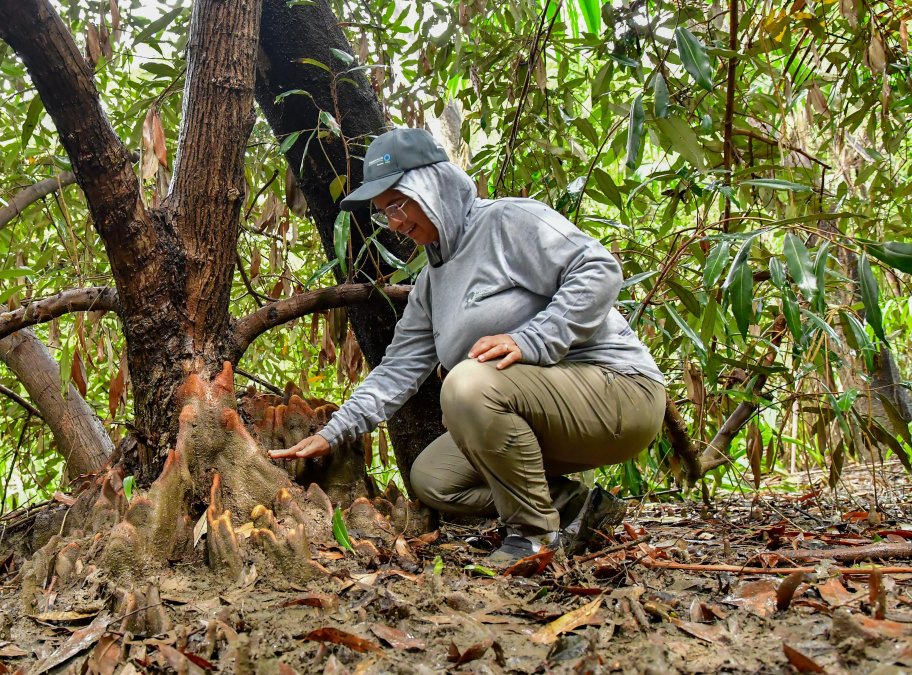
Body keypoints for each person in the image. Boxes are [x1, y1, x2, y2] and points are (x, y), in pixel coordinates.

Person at [269, 128, 667, 566]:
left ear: (434, 185)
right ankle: (576, 508)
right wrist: (333, 432)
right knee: (433, 479)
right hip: (545, 414)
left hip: (621, 393)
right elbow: (396, 370)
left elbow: (599, 269)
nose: (396, 223)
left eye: (399, 204)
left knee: (465, 386)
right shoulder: (430, 286)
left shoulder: (506, 222)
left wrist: (532, 339)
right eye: (385, 214)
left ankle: (534, 537)